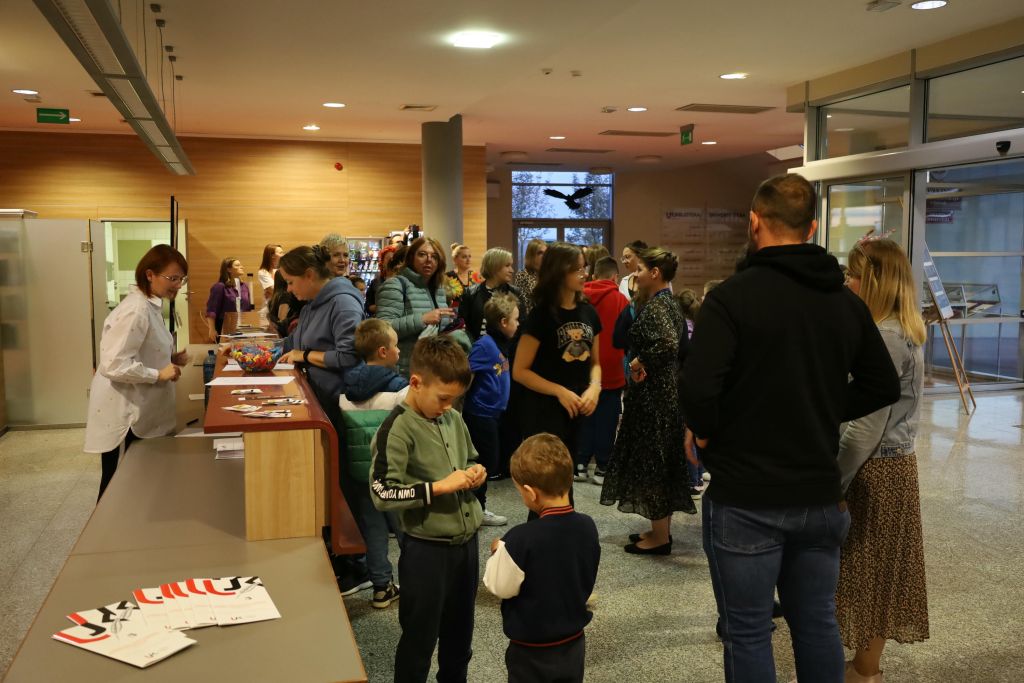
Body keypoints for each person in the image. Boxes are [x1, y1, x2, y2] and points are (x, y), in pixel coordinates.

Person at [679, 174, 901, 683]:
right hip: (819, 496)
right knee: (818, 623)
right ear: (814, 227)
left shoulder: (731, 299)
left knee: (750, 631)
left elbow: (697, 387)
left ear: (754, 222)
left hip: (746, 497)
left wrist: (710, 430)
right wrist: (821, 406)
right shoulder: (844, 301)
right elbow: (881, 384)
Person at [835, 239, 929, 683]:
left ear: (872, 281)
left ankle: (864, 668)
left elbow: (865, 427)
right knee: (878, 570)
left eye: (853, 275)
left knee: (870, 571)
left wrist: (834, 483)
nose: (847, 283)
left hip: (877, 467)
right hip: (891, 465)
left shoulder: (887, 336)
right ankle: (864, 664)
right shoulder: (898, 328)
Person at [369, 336, 486, 683]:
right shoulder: (397, 428)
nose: (449, 406)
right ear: (416, 383)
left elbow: (470, 458)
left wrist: (475, 471)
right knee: (420, 639)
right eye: (444, 398)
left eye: (455, 399)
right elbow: (381, 493)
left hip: (466, 546)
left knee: (459, 636)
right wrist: (437, 488)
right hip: (426, 551)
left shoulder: (452, 418)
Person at [600, 248, 695, 554]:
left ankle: (660, 537)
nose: (635, 275)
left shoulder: (658, 306)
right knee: (656, 461)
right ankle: (659, 529)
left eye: (640, 269)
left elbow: (667, 344)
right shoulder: (665, 301)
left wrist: (641, 361)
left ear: (655, 273)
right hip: (660, 394)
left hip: (656, 398)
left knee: (654, 462)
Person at [483, 433, 600, 683]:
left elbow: (500, 586)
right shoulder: (587, 526)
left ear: (530, 493)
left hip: (531, 649)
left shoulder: (520, 538)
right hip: (573, 641)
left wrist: (498, 553)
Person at [84, 245, 189, 500]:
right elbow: (114, 365)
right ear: (150, 274)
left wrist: (169, 358)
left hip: (137, 406)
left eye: (181, 279)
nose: (177, 285)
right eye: (172, 278)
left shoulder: (150, 305)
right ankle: (105, 538)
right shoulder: (136, 309)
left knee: (135, 482)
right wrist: (157, 374)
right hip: (125, 413)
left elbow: (139, 348)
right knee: (118, 485)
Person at [512, 242, 601, 483]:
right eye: (577, 269)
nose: (584, 274)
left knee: (564, 482)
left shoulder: (588, 312)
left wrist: (595, 387)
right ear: (559, 272)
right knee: (546, 483)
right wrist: (558, 391)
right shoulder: (540, 316)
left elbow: (595, 362)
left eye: (585, 268)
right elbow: (519, 371)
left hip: (575, 408)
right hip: (543, 409)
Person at [338, 318, 409, 610]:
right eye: (394, 346)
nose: (399, 351)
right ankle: (417, 580)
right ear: (382, 351)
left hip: (361, 473)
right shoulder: (400, 390)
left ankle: (381, 587)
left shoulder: (346, 389)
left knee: (373, 530)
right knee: (405, 527)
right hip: (392, 471)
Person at [464, 293, 520, 528]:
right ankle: (477, 509)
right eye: (516, 319)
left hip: (494, 414)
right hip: (480, 414)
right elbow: (468, 376)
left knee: (491, 462)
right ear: (503, 322)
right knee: (485, 463)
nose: (519, 324)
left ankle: (477, 507)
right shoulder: (484, 345)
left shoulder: (501, 344)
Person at [377, 236, 468, 378]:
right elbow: (382, 330)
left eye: (434, 256)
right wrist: (423, 319)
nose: (428, 260)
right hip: (404, 371)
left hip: (433, 368)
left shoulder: (438, 288)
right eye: (422, 254)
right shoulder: (395, 285)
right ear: (411, 257)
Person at [579, 256, 628, 485]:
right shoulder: (620, 299)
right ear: (614, 277)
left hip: (583, 365)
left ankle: (580, 464)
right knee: (607, 419)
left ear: (594, 275)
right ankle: (602, 467)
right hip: (612, 368)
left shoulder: (580, 296)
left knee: (584, 415)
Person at [675, 288, 708, 497]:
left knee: (687, 432)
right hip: (700, 380)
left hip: (685, 380)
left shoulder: (681, 327)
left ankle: (693, 481)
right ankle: (700, 472)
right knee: (696, 430)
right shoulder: (700, 324)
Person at [459, 247, 527, 343]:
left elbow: (522, 327)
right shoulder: (471, 293)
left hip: (507, 353)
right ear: (494, 266)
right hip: (478, 351)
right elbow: (463, 328)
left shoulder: (515, 293)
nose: (512, 270)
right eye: (507, 265)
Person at [205, 257, 253, 340]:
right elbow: (211, 310)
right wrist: (212, 329)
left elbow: (247, 308)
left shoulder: (244, 286)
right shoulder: (220, 287)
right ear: (229, 269)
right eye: (237, 265)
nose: (242, 267)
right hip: (225, 326)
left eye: (241, 265)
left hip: (242, 326)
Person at [444, 243, 483, 313]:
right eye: (464, 257)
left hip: (473, 314)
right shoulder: (448, 277)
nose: (468, 260)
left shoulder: (475, 276)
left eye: (469, 256)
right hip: (454, 315)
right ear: (455, 259)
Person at [266, 269, 305, 338]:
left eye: (291, 282)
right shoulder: (284, 295)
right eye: (289, 282)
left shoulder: (275, 296)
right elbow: (282, 318)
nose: (289, 289)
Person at [512, 238, 547, 315]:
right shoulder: (523, 275)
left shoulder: (548, 275)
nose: (544, 256)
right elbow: (523, 306)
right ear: (532, 256)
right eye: (540, 253)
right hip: (531, 320)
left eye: (546, 253)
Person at [365, 244, 397, 316]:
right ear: (382, 262)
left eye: (393, 258)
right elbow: (368, 306)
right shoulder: (376, 282)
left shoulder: (402, 280)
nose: (391, 261)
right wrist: (379, 308)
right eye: (388, 258)